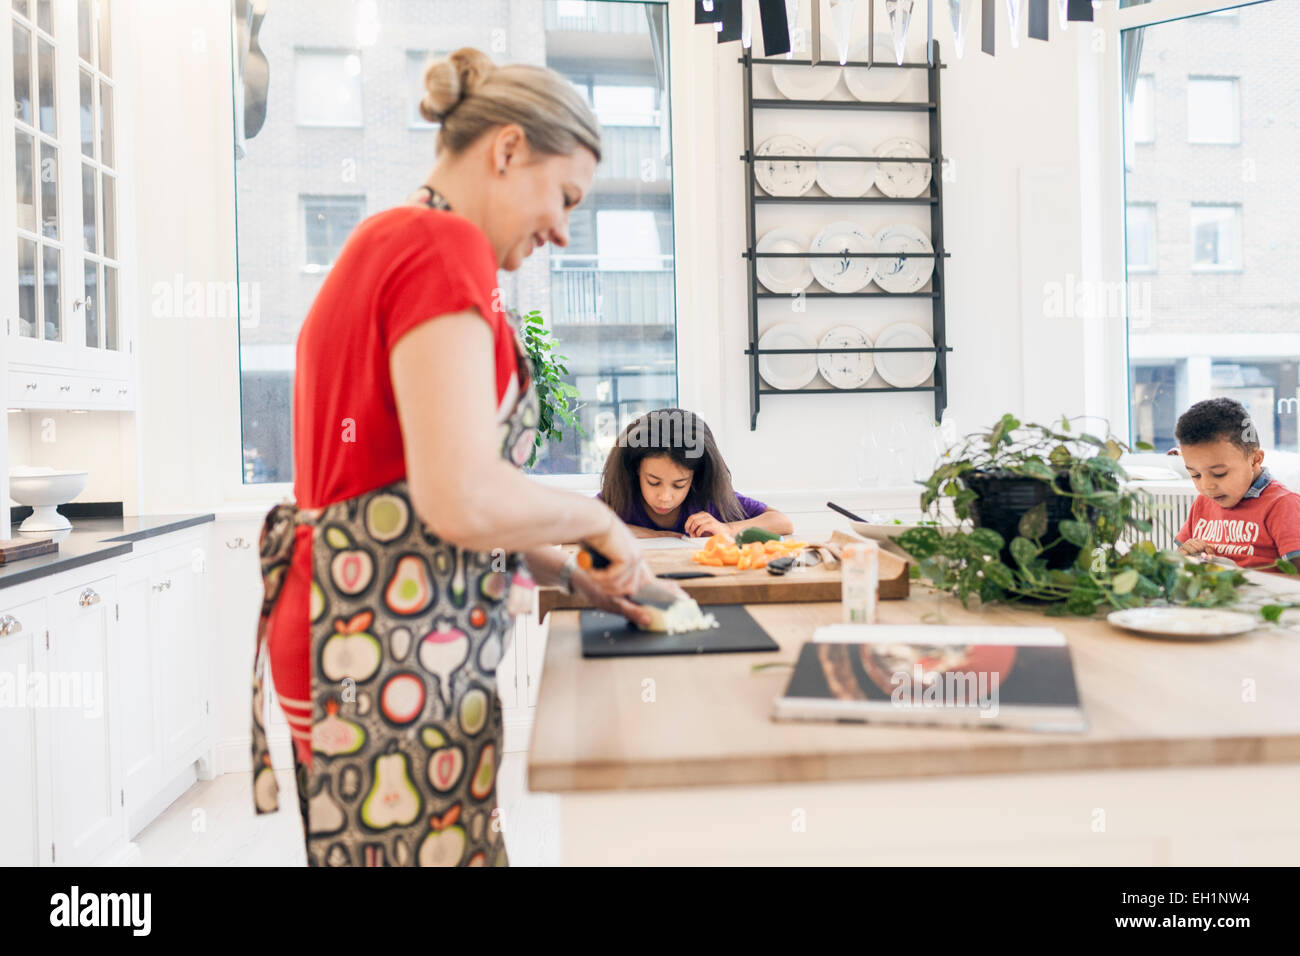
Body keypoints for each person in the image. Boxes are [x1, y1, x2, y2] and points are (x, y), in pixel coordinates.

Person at [252, 47, 676, 867]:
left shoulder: (390, 240)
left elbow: (411, 485)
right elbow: (456, 497)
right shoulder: (439, 250)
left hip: (358, 626)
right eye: (564, 197)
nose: (560, 228)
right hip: (378, 642)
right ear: (509, 149)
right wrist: (596, 517)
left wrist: (568, 572)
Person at [597, 408, 794, 539]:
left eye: (679, 484)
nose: (665, 498)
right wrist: (650, 534)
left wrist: (727, 529)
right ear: (635, 470)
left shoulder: (709, 500)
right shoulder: (619, 498)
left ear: (696, 476)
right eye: (653, 482)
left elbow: (783, 522)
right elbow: (567, 529)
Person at [1172, 397, 1300, 571]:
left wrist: (1241, 575)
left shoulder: (1283, 505)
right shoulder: (1203, 503)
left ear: (1255, 460)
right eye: (1195, 474)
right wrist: (1186, 555)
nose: (1207, 486)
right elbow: (1179, 558)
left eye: (1219, 473)